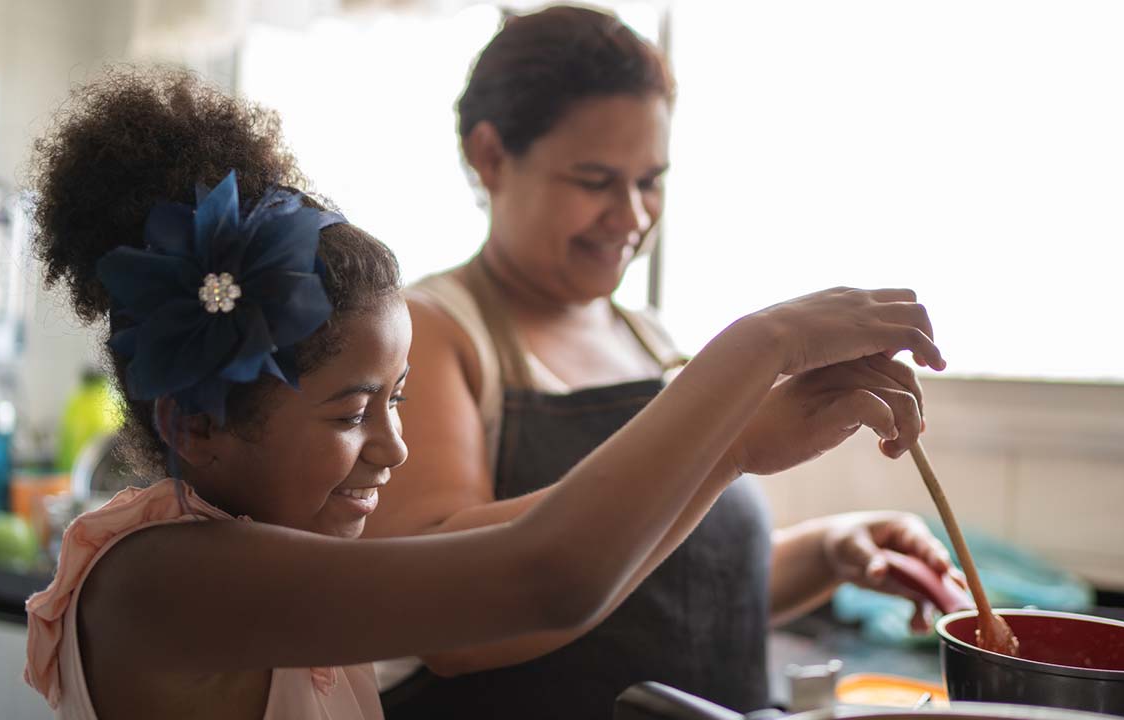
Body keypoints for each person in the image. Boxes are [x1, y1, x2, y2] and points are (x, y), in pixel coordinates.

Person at [21, 68, 945, 720]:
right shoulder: (168, 580)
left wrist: (736, 447)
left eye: (397, 398)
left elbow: (566, 573)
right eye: (351, 412)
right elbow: (547, 578)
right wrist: (761, 344)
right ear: (197, 424)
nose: (395, 445)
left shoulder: (253, 560)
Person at [365, 6, 960, 718]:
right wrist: (731, 434)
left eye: (650, 181)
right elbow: (447, 621)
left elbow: (663, 586)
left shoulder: (646, 338)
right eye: (594, 181)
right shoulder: (435, 333)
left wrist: (830, 553)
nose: (632, 216)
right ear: (490, 156)